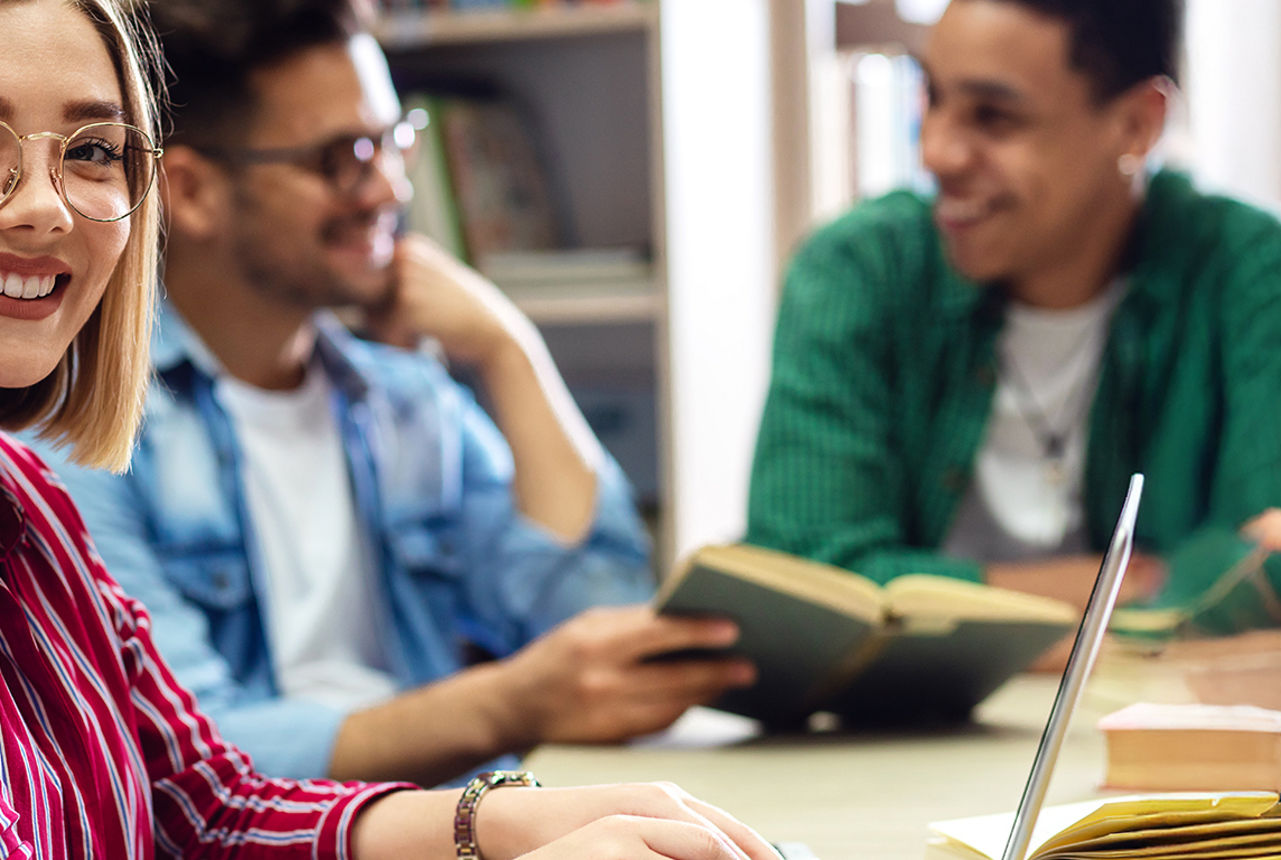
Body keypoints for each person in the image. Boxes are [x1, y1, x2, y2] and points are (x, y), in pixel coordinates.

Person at [0, 0, 781, 856]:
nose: (390, 191)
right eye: (339, 160)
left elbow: (207, 802)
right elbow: (220, 769)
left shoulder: (402, 399)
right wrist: (509, 710)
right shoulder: (73, 447)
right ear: (187, 192)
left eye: (92, 151)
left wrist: (512, 352)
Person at [747, 0, 1281, 617]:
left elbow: (1272, 563)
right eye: (933, 97)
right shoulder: (858, 267)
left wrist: (918, 600)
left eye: (995, 117)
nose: (936, 153)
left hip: (1132, 695)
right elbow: (800, 577)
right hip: (939, 702)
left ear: (1137, 124)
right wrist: (1121, 587)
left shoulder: (1248, 268)